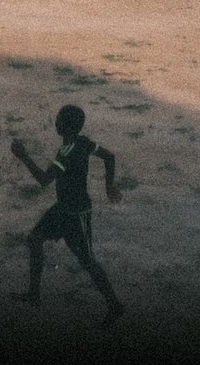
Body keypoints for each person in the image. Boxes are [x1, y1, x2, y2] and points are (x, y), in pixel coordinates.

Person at [11, 104, 124, 324]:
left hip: (73, 214)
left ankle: (116, 306)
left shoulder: (65, 153)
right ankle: (34, 294)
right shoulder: (83, 143)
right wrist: (109, 186)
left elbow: (44, 180)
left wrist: (23, 157)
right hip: (66, 209)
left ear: (65, 126)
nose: (56, 123)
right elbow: (109, 157)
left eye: (59, 120)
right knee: (35, 240)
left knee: (87, 261)